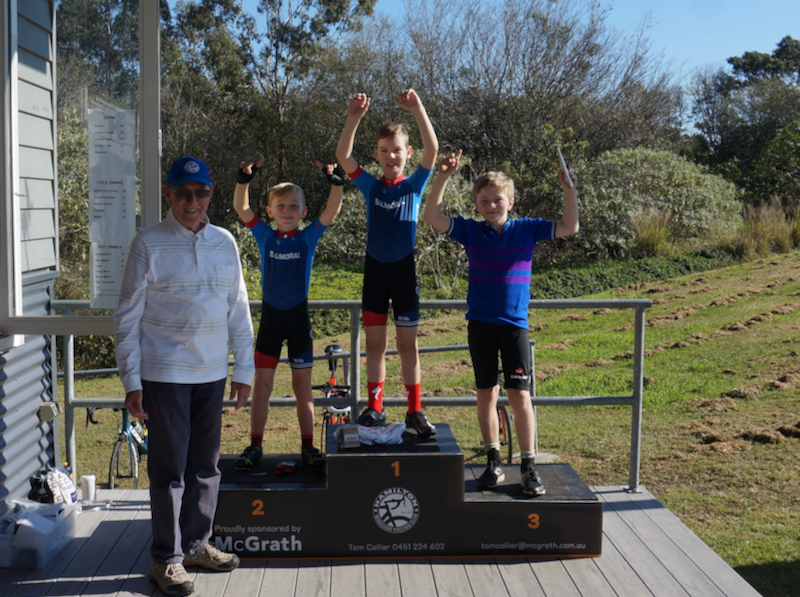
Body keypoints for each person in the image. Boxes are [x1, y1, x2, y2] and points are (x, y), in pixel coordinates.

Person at [115, 157, 255, 596]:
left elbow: (238, 309)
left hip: (212, 374)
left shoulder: (225, 242)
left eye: (201, 192)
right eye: (184, 193)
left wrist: (244, 368)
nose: (193, 201)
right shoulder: (148, 244)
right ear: (169, 194)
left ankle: (195, 545)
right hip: (164, 376)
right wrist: (132, 381)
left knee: (205, 467)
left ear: (211, 193)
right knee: (169, 470)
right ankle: (167, 559)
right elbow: (127, 318)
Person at [423, 150, 579, 496]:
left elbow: (570, 226)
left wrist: (569, 190)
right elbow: (432, 216)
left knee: (520, 395)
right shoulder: (471, 231)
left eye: (498, 200)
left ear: (511, 202)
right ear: (476, 205)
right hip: (480, 324)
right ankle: (493, 461)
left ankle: (528, 466)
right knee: (486, 394)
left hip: (514, 326)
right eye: (484, 201)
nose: (491, 205)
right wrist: (444, 176)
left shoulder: (527, 229)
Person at [335, 89, 439, 437]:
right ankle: (375, 408)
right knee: (374, 346)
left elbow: (432, 150)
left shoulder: (414, 185)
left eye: (397, 150)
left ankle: (415, 411)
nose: (391, 156)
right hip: (376, 272)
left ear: (408, 153)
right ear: (376, 155)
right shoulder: (371, 186)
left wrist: (418, 108)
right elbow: (343, 156)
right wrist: (353, 118)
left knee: (408, 346)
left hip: (404, 272)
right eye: (384, 150)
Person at [232, 159, 345, 471]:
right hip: (271, 322)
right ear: (269, 211)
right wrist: (243, 180)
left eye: (294, 206)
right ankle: (255, 445)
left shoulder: (307, 238)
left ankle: (308, 446)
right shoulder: (265, 236)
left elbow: (331, 212)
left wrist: (336, 183)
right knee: (262, 387)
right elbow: (242, 208)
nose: (287, 211)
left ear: (303, 212)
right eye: (280, 206)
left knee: (302, 389)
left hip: (297, 321)